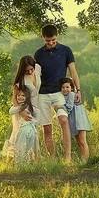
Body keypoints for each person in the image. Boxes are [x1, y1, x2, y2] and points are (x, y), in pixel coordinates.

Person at [34, 24, 82, 163]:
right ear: (42, 37)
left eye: (53, 40)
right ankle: (53, 160)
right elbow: (35, 76)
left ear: (57, 36)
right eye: (47, 41)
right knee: (47, 128)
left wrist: (77, 90)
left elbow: (73, 72)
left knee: (63, 120)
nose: (50, 43)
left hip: (59, 94)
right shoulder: (38, 54)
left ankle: (67, 158)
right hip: (42, 95)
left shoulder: (66, 51)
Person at [4, 87, 39, 164]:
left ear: (27, 97)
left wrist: (32, 119)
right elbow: (11, 111)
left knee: (28, 148)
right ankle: (20, 164)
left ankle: (27, 163)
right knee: (19, 148)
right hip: (20, 130)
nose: (20, 97)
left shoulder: (30, 107)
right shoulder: (16, 108)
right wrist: (20, 108)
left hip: (30, 129)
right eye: (18, 95)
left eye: (23, 95)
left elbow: (37, 115)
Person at [60, 77, 92, 163]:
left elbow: (69, 107)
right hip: (72, 119)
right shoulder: (61, 96)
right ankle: (82, 160)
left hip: (79, 117)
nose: (65, 89)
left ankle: (85, 162)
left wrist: (59, 107)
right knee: (78, 141)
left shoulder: (71, 95)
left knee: (82, 140)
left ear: (71, 88)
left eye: (67, 87)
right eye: (63, 87)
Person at [12, 55, 42, 127]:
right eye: (27, 70)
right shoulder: (21, 80)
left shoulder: (37, 68)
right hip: (26, 108)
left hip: (38, 106)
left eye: (32, 69)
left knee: (35, 131)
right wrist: (21, 111)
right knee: (27, 130)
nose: (30, 72)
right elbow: (14, 98)